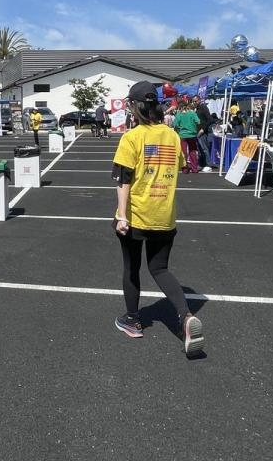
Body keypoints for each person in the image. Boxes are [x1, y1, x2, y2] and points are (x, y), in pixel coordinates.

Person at [111, 81, 204, 357]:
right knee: (160, 268)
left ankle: (132, 319)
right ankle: (186, 316)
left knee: (131, 268)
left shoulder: (132, 138)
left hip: (138, 214)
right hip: (165, 214)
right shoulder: (172, 136)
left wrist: (121, 215)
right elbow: (180, 166)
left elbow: (123, 179)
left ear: (135, 107)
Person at [173, 101, 201, 174]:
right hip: (192, 135)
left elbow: (175, 124)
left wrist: (179, 128)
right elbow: (198, 121)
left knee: (184, 152)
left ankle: (185, 169)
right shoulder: (192, 113)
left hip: (182, 135)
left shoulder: (179, 114)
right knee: (192, 151)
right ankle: (194, 169)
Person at [193, 96, 213, 172]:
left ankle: (208, 164)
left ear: (199, 100)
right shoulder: (197, 109)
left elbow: (210, 119)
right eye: (193, 101)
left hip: (202, 132)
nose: (194, 103)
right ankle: (202, 164)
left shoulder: (203, 107)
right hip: (197, 132)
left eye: (196, 101)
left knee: (204, 149)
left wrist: (203, 129)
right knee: (199, 150)